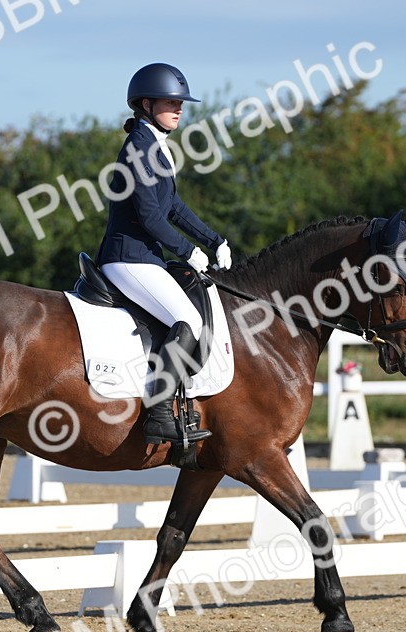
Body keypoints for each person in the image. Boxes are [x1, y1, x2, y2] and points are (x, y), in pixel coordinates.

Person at [97, 63, 232, 445]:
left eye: (181, 102)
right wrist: (188, 251)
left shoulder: (155, 144)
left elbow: (173, 207)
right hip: (128, 256)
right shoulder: (138, 149)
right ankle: (157, 415)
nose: (179, 108)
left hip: (145, 256)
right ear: (145, 103)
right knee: (186, 321)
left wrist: (214, 239)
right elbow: (149, 215)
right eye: (171, 102)